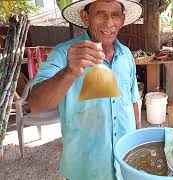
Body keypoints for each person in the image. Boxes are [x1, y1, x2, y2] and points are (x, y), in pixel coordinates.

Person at [28, 0, 143, 179]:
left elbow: (132, 99)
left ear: (122, 18)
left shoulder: (126, 54)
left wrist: (138, 140)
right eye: (100, 14)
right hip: (85, 170)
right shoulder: (63, 54)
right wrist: (69, 72)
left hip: (125, 164)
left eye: (115, 15)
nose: (109, 23)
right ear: (85, 16)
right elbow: (36, 104)